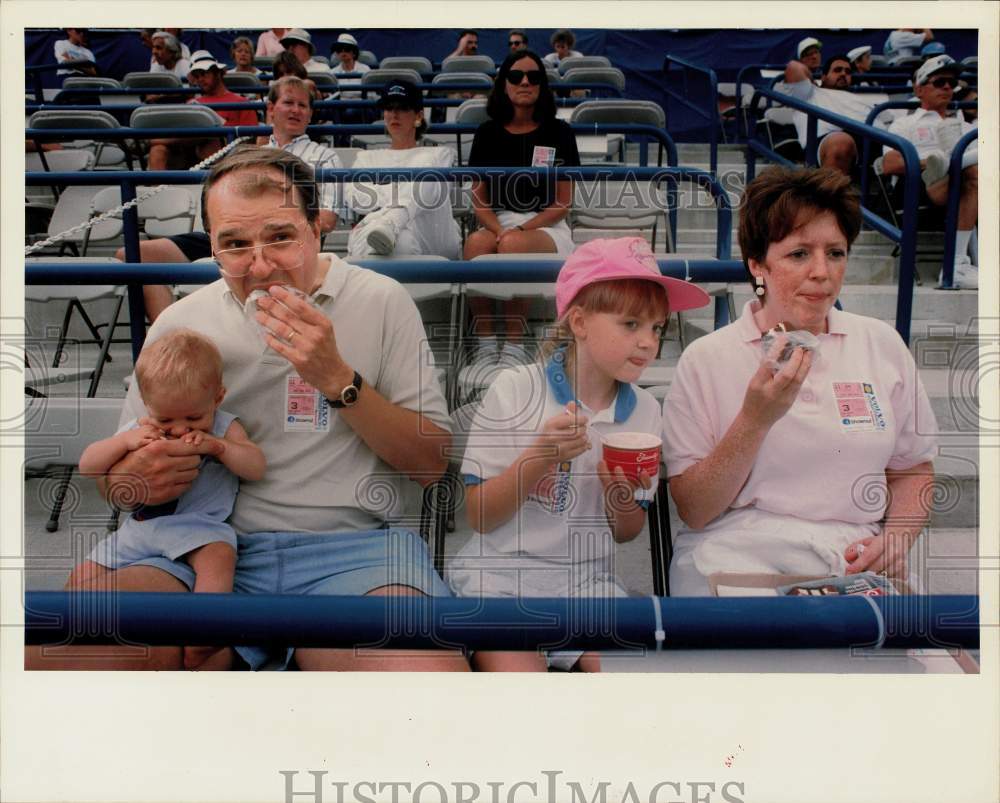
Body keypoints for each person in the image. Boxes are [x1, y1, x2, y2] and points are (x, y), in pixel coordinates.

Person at [27, 146, 465, 673]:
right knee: (53, 657)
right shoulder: (181, 324)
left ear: (316, 228)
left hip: (356, 555)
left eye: (280, 237)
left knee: (423, 688)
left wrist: (336, 378)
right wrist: (139, 479)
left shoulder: (381, 301)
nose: (260, 265)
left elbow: (431, 466)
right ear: (212, 247)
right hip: (192, 549)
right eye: (235, 245)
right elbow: (118, 487)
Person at [662, 166, 937, 596]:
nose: (822, 273)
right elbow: (694, 509)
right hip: (735, 553)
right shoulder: (707, 358)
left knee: (934, 660)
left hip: (852, 557)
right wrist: (755, 419)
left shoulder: (880, 344)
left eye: (835, 253)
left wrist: (896, 538)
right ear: (757, 264)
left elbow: (913, 470)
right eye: (798, 254)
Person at [448, 237, 711, 671]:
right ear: (579, 322)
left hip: (588, 581)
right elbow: (479, 516)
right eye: (631, 324)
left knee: (628, 686)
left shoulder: (644, 411)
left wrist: (620, 498)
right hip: (497, 578)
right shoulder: (515, 389)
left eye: (657, 328)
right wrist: (539, 458)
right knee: (522, 695)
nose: (648, 342)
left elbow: (627, 532)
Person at [77, 329, 265, 670]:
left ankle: (204, 636)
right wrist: (126, 443)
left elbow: (255, 467)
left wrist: (218, 446)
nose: (179, 429)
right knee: (82, 577)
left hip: (200, 528)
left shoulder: (223, 427)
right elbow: (88, 465)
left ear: (217, 398)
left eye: (193, 418)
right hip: (140, 529)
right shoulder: (139, 427)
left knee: (220, 558)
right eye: (166, 419)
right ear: (148, 406)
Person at [133, 76, 341, 321]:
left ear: (310, 114)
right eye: (289, 102)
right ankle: (171, 336)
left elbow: (326, 219)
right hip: (231, 237)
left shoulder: (325, 157)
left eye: (303, 105)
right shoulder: (246, 153)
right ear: (271, 109)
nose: (296, 110)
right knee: (135, 256)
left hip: (281, 242)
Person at [464, 49, 581, 359]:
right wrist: (499, 229)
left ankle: (514, 342)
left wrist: (519, 228)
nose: (525, 82)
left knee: (514, 244)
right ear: (504, 84)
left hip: (546, 225)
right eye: (516, 76)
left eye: (534, 76)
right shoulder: (486, 133)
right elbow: (479, 200)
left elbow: (562, 202)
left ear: (542, 84)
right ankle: (486, 340)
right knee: (475, 243)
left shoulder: (560, 132)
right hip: (498, 222)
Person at [882, 56, 978, 289]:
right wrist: (928, 163)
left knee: (973, 171)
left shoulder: (967, 125)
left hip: (964, 182)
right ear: (920, 89)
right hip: (919, 187)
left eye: (951, 83)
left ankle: (951, 164)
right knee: (971, 173)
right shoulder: (904, 124)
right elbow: (889, 163)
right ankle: (956, 264)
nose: (947, 87)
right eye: (939, 82)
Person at [345, 80, 461, 259]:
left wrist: (383, 194)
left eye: (403, 108)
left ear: (418, 116)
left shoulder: (440, 154)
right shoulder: (366, 158)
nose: (394, 114)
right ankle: (391, 225)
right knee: (401, 242)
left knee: (427, 165)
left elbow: (428, 196)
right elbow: (357, 200)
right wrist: (403, 189)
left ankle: (392, 221)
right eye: (389, 108)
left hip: (431, 241)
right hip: (381, 239)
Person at [146, 50, 261, 171]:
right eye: (197, 76)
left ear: (217, 73)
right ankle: (156, 189)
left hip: (222, 152)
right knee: (158, 149)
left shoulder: (242, 103)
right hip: (186, 151)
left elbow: (250, 139)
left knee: (209, 138)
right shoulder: (192, 103)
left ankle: (154, 140)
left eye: (204, 74)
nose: (200, 79)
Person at [781, 53, 892, 175]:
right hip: (828, 142)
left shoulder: (861, 99)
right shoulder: (810, 93)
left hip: (873, 141)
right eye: (837, 70)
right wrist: (813, 82)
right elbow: (793, 67)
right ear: (823, 76)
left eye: (848, 72)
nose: (843, 74)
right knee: (840, 142)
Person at [330, 33, 371, 100]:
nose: (343, 52)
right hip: (340, 108)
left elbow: (371, 96)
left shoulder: (365, 70)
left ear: (354, 52)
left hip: (361, 107)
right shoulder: (332, 73)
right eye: (339, 49)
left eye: (347, 48)